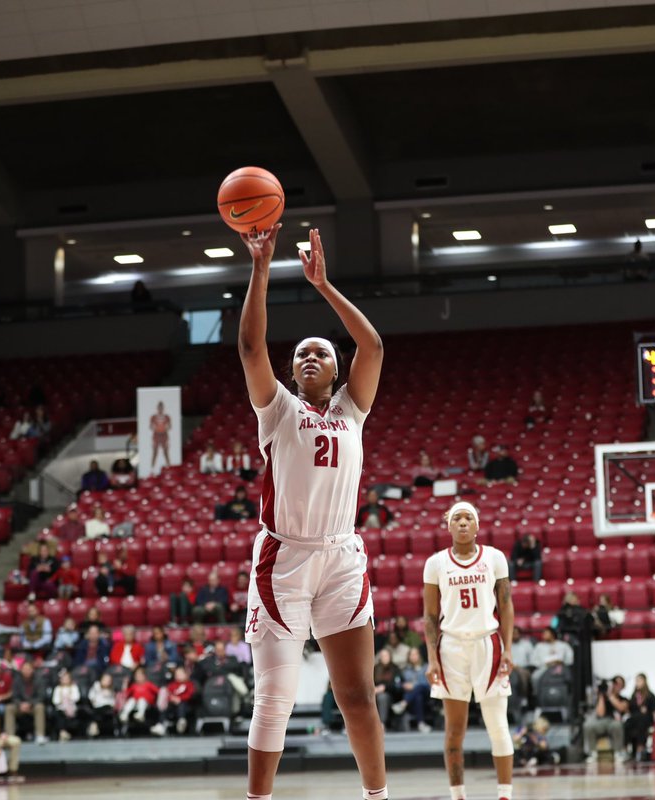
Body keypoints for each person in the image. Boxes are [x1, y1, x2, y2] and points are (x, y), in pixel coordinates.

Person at [237, 224, 388, 800]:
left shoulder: (353, 408)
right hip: (284, 557)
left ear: (335, 367)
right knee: (275, 696)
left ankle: (377, 797)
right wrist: (262, 266)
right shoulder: (276, 410)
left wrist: (323, 285)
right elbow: (252, 348)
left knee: (356, 697)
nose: (307, 357)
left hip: (343, 557)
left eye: (320, 352)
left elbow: (372, 346)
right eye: (299, 353)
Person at [423, 502, 515, 800]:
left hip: (488, 643)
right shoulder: (435, 563)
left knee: (498, 726)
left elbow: (506, 605)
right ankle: (458, 795)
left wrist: (509, 648)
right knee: (454, 731)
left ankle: (504, 794)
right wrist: (432, 658)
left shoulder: (495, 558)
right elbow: (429, 616)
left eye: (469, 518)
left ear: (477, 525)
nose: (463, 523)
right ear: (448, 526)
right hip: (450, 647)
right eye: (457, 518)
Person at [582, 675, 628, 763]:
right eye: (615, 683)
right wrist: (602, 696)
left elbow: (621, 708)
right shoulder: (602, 697)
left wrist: (610, 695)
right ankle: (593, 753)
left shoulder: (623, 698)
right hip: (602, 722)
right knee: (588, 725)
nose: (617, 686)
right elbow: (600, 713)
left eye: (619, 684)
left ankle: (618, 752)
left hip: (614, 722)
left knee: (617, 725)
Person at [5, 662, 47, 743]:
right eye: (24, 669)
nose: (27, 671)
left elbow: (41, 696)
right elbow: (14, 696)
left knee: (40, 707)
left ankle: (40, 735)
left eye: (29, 669)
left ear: (32, 670)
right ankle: (10, 736)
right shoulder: (17, 680)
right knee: (9, 708)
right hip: (20, 705)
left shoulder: (39, 679)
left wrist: (30, 704)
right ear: (21, 670)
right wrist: (20, 704)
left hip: (33, 705)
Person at [624, 673, 655, 762]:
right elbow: (630, 709)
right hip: (635, 719)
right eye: (636, 681)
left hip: (646, 720)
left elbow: (654, 711)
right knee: (627, 724)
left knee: (641, 723)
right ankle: (626, 750)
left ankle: (640, 750)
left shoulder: (650, 696)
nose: (637, 683)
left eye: (639, 680)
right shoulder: (633, 696)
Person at [149, 402, 171, 475]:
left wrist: (165, 427)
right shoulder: (153, 417)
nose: (160, 409)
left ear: (163, 408)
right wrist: (155, 427)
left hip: (164, 435)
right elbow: (150, 426)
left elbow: (170, 426)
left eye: (161, 407)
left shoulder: (167, 417)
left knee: (166, 452)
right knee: (155, 452)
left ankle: (169, 468)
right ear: (157, 408)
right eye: (159, 407)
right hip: (156, 435)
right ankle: (152, 469)